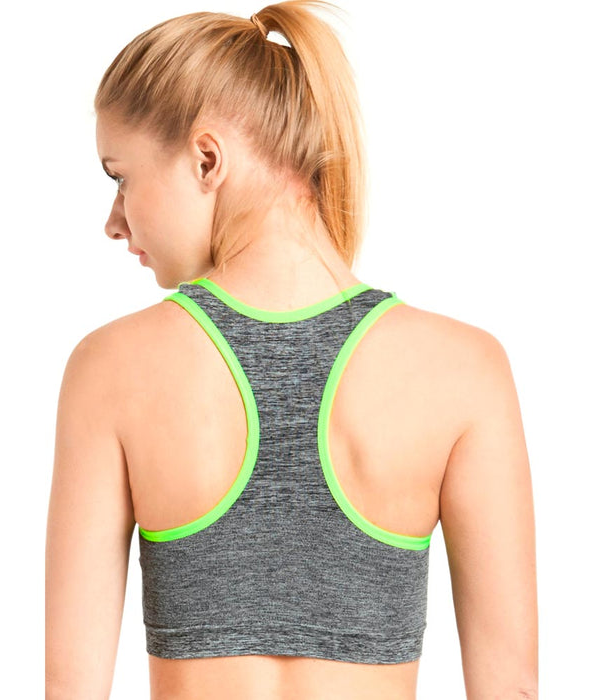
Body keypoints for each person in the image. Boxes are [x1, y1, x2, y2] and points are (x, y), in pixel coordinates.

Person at [45, 2, 538, 698]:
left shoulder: (110, 368)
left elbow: (70, 688)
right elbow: (512, 688)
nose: (114, 221)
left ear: (207, 159)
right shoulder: (464, 371)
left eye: (120, 176)